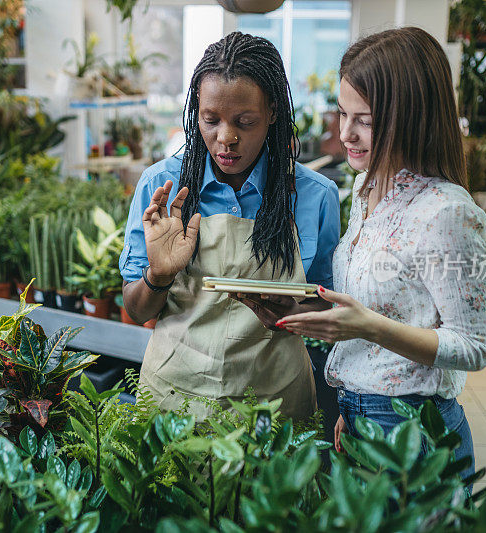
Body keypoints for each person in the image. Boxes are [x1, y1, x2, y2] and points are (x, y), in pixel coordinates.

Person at [276, 27, 486, 481]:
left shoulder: (447, 212)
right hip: (360, 415)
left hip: (413, 430)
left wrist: (370, 330)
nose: (346, 135)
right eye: (342, 113)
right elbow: (377, 308)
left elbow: (474, 347)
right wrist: (354, 405)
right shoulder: (366, 187)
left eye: (367, 120)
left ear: (413, 116)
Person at [120, 31, 340, 420]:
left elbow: (327, 300)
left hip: (274, 407)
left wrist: (295, 309)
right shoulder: (163, 187)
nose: (226, 138)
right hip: (175, 403)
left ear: (273, 112)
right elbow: (137, 311)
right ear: (195, 114)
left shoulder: (314, 195)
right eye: (210, 120)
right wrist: (158, 275)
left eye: (245, 121)